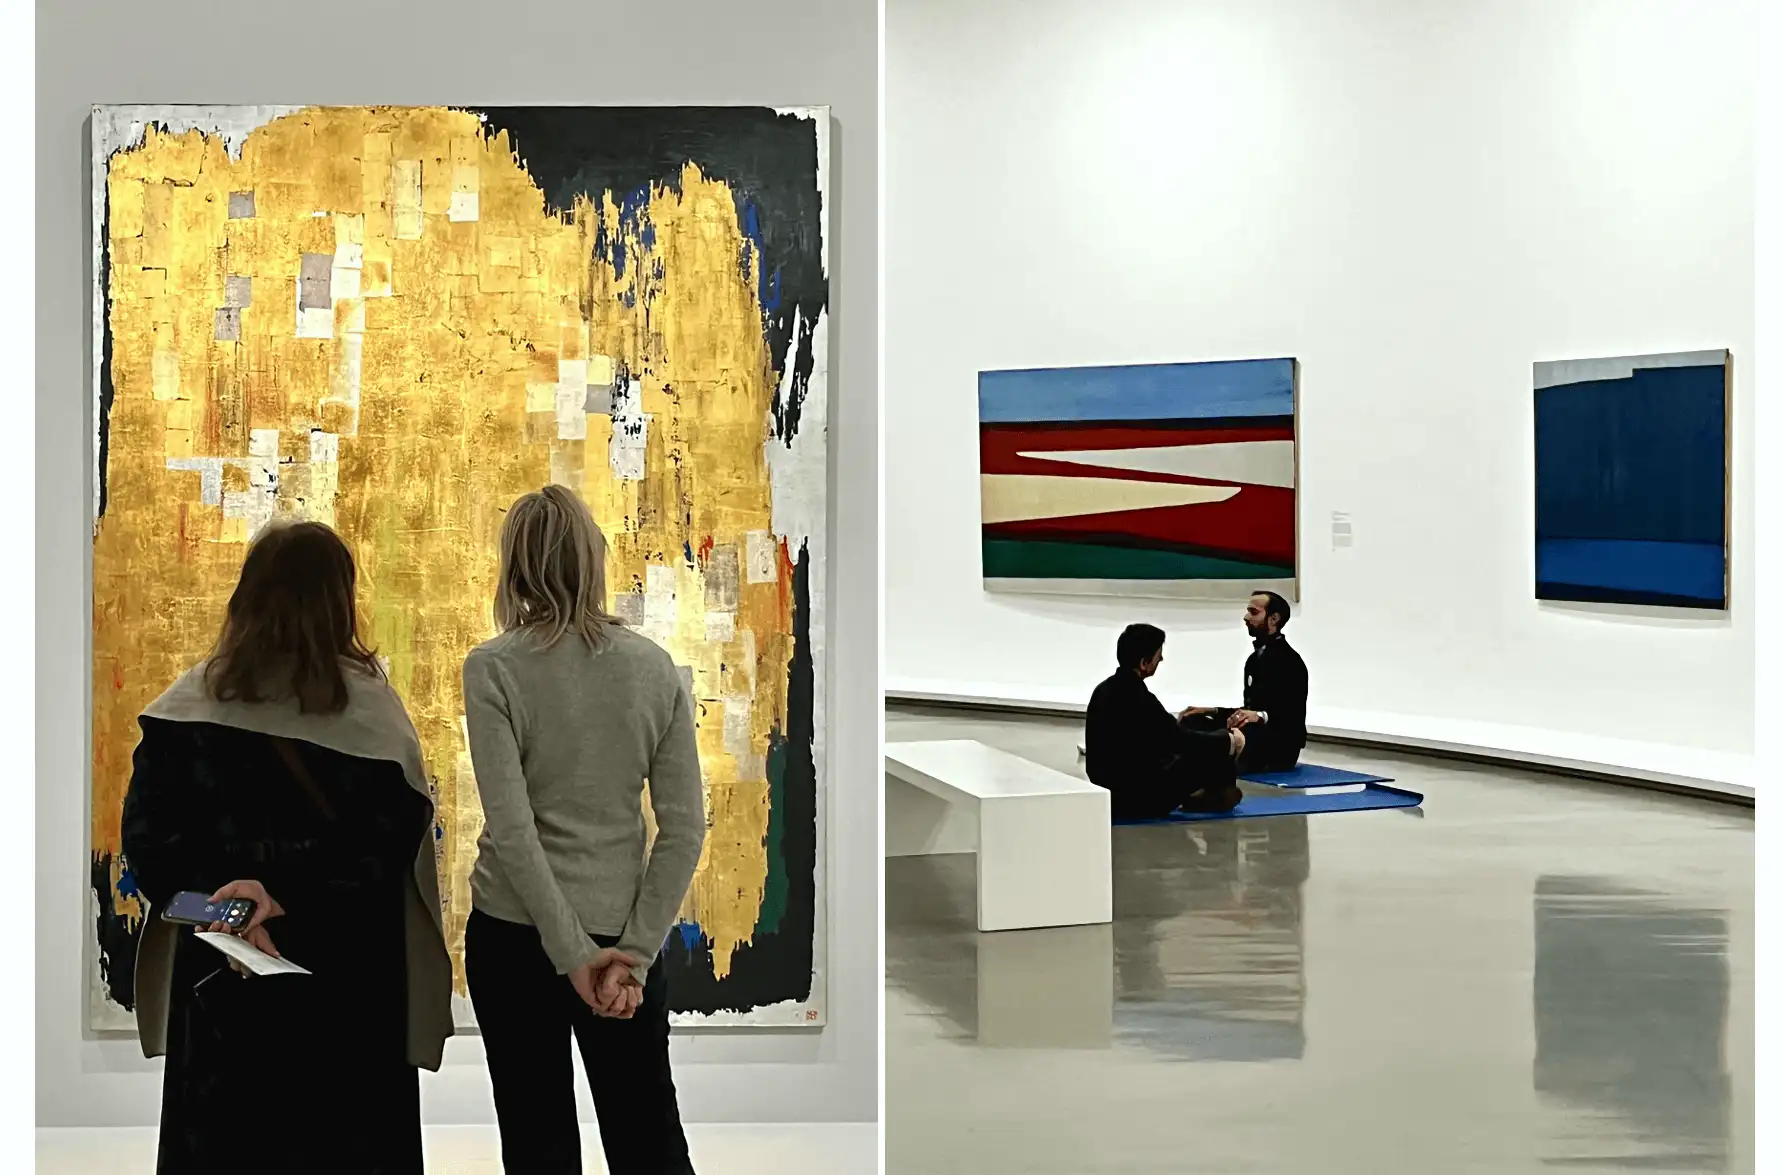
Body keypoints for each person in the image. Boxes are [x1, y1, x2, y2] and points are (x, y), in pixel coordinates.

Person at [120, 521, 453, 1175]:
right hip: (345, 1001)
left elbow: (150, 851)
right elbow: (386, 864)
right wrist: (283, 901)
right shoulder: (375, 724)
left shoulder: (181, 714)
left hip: (221, 986)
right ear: (339, 602)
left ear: (245, 598)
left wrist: (225, 913)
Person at [463, 484, 708, 1175]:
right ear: (592, 560)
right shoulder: (651, 668)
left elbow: (513, 831)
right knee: (648, 1137)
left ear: (514, 565)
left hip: (514, 935)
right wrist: (627, 957)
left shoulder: (494, 668)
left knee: (536, 1140)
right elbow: (684, 827)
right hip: (618, 933)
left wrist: (571, 956)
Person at [1084, 623, 1247, 819]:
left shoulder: (1103, 689)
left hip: (1109, 791)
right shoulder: (1138, 697)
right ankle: (1218, 795)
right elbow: (1179, 741)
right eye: (1157, 655)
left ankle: (1209, 793)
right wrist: (1228, 741)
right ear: (1144, 662)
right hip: (1135, 798)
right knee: (1212, 750)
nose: (1161, 658)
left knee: (1201, 740)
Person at [1183, 591, 1309, 773]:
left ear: (1273, 619)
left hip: (1279, 744)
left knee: (1230, 736)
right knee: (1193, 720)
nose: (1246, 617)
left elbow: (1290, 718)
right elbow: (1249, 709)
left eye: (1253, 612)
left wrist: (1260, 716)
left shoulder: (1290, 662)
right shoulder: (1254, 660)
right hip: (1254, 731)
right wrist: (1213, 711)